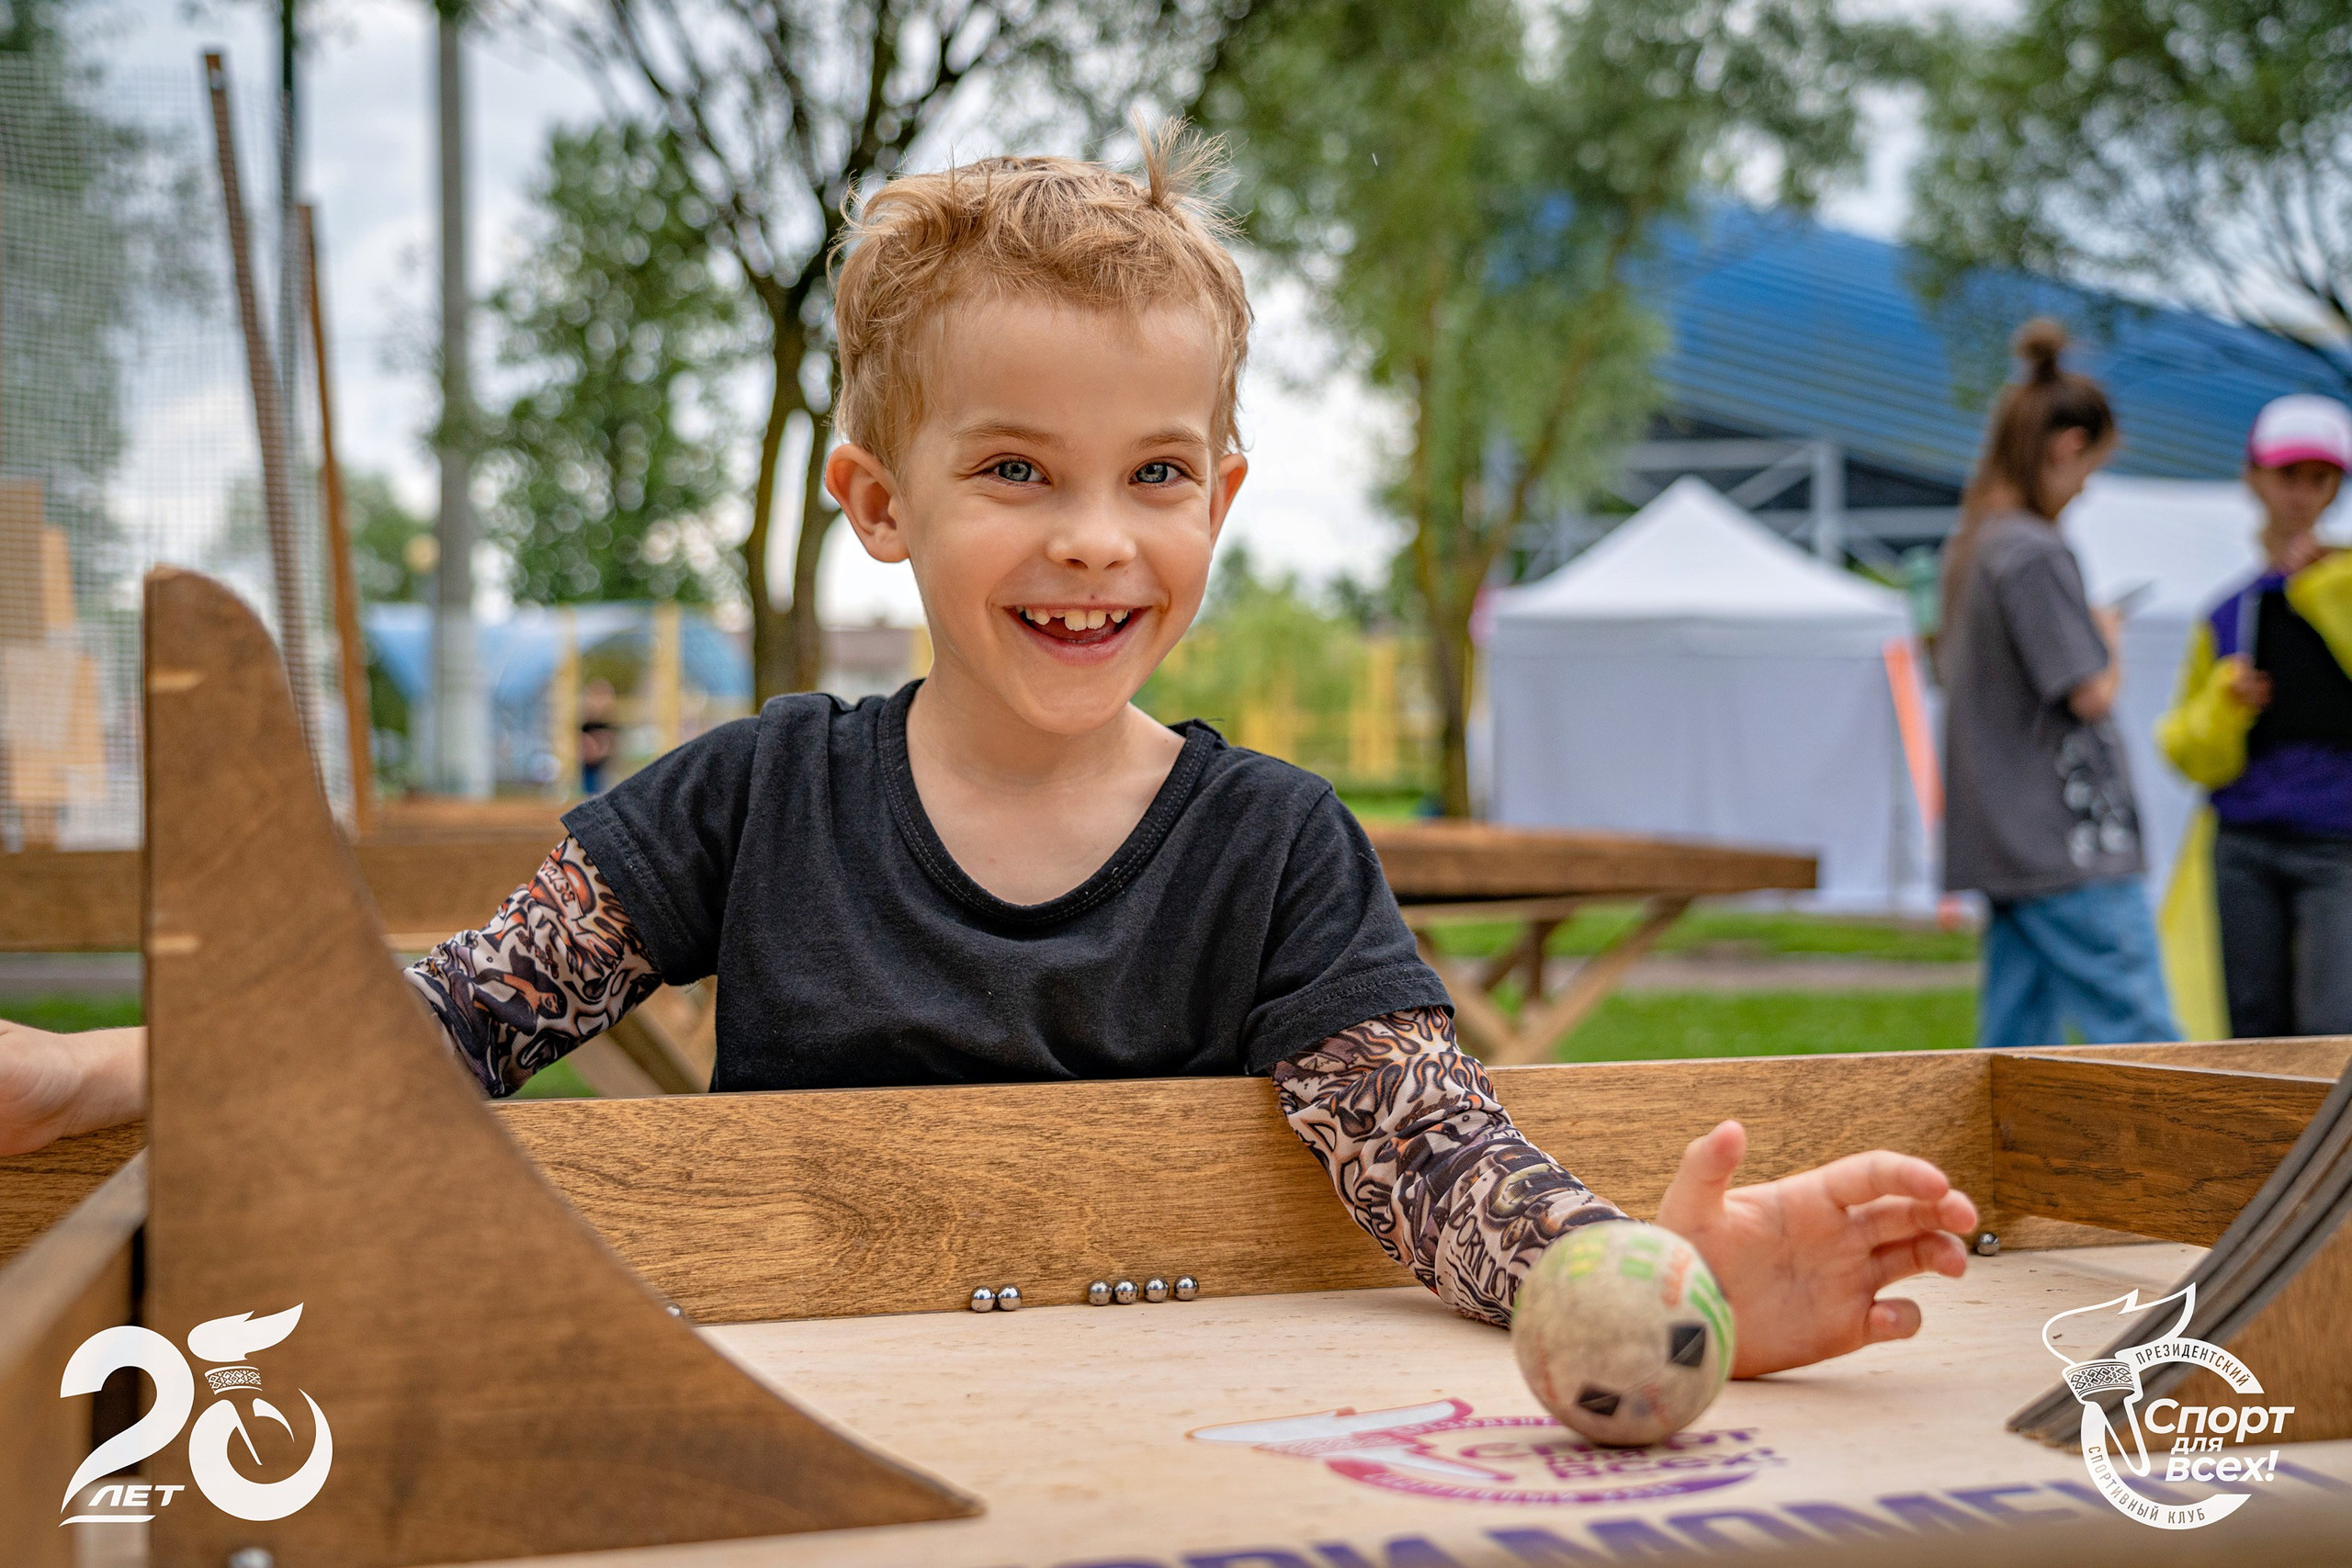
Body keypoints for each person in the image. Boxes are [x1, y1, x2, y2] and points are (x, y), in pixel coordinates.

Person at [0, 133, 1976, 1379]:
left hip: (1176, 1448)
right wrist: (93, 1066)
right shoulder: (753, 788)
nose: (1093, 535)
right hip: (792, 1421)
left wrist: (1646, 1281)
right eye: (1013, 468)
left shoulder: (1277, 846)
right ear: (878, 499)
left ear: (1222, 496)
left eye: (1154, 474)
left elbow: (1430, 1155)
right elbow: (446, 1018)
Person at [1939, 320, 2178, 1052]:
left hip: (2008, 845)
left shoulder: (1975, 543)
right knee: (2149, 1039)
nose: (2083, 492)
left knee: (2014, 1052)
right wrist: (2106, 635)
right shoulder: (2034, 551)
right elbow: (2089, 692)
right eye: (2090, 470)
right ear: (2067, 447)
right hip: (2067, 846)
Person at [2156, 395, 2352, 1038]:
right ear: (2254, 478)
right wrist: (2225, 703)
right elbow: (2190, 751)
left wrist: (2324, 587)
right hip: (2244, 842)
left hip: (2338, 842)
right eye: (2286, 475)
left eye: (2318, 478)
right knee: (2254, 1028)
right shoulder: (2229, 611)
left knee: (2333, 1027)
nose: (2300, 494)